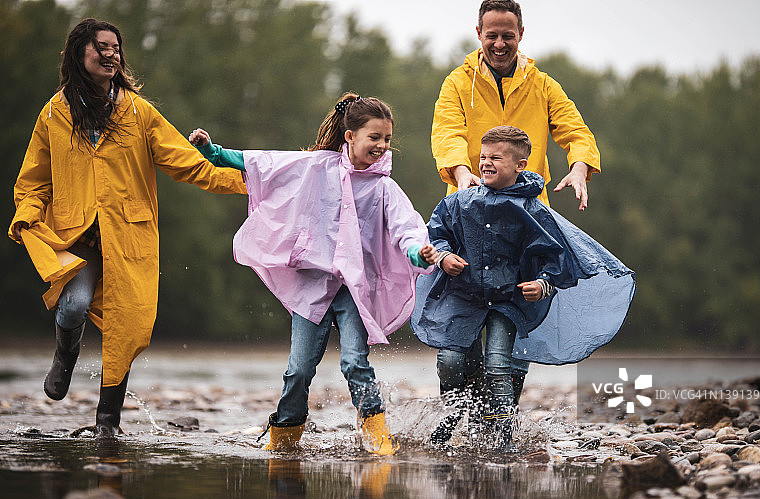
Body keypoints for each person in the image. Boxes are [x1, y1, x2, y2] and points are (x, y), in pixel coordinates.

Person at [8, 18, 246, 437]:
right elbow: (34, 181)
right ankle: (65, 355)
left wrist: (252, 183)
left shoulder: (139, 112)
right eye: (101, 46)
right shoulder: (54, 113)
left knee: (126, 329)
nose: (110, 54)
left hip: (128, 238)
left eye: (116, 48)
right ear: (79, 53)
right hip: (74, 235)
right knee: (74, 306)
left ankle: (107, 424)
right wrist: (27, 212)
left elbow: (190, 165)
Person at [189, 93, 434, 455]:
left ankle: (376, 434)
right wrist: (215, 153)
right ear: (350, 136)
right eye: (374, 137)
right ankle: (285, 436)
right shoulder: (315, 167)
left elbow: (406, 228)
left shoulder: (383, 188)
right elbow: (267, 165)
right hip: (312, 286)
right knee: (299, 370)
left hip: (353, 289)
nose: (382, 146)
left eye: (386, 139)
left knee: (354, 362)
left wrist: (417, 251)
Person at [413, 126, 634, 449]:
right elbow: (438, 232)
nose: (486, 163)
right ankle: (453, 412)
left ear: (520, 165)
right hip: (465, 296)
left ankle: (504, 436)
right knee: (451, 360)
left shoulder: (534, 210)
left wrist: (543, 285)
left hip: (508, 301)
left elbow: (553, 257)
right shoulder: (461, 202)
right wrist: (444, 256)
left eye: (496, 158)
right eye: (483, 157)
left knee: (499, 366)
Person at [430, 0, 603, 407]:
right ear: (479, 35)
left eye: (508, 35)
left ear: (520, 35)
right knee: (461, 338)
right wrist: (460, 172)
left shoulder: (542, 84)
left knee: (514, 328)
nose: (500, 43)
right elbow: (447, 133)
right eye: (492, 35)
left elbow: (576, 130)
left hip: (527, 223)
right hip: (469, 217)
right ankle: (459, 413)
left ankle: (499, 421)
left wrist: (579, 168)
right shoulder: (457, 82)